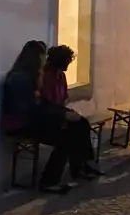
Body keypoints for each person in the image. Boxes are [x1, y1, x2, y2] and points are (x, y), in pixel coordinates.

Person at [1, 41, 94, 194]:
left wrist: (62, 113)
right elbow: (30, 109)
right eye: (44, 57)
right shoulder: (23, 79)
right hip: (20, 124)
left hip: (32, 119)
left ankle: (82, 166)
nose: (46, 60)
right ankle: (49, 181)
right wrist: (61, 116)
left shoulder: (31, 76)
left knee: (79, 124)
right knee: (66, 137)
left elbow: (41, 105)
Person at [40, 45, 103, 177]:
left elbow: (63, 99)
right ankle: (60, 174)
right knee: (70, 135)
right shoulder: (46, 77)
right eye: (67, 61)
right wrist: (63, 116)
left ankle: (84, 164)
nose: (68, 65)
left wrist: (69, 113)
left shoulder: (61, 76)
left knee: (82, 124)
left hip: (59, 111)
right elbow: (45, 103)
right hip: (49, 114)